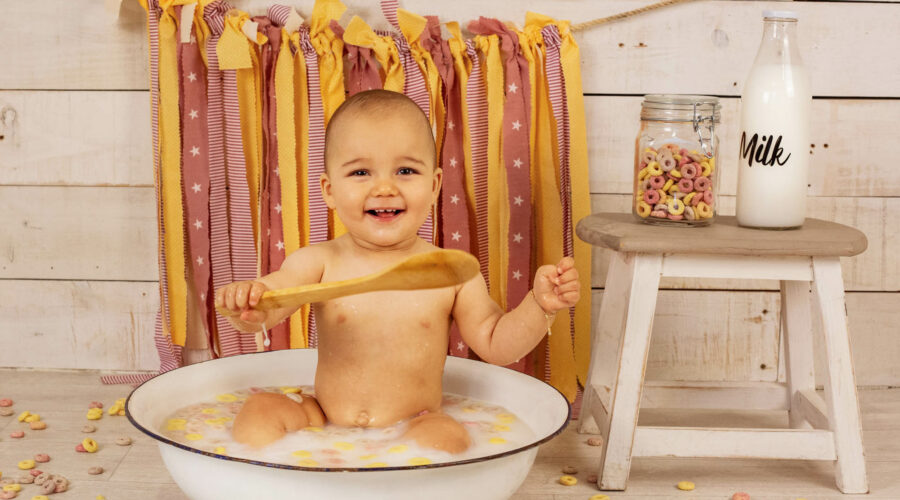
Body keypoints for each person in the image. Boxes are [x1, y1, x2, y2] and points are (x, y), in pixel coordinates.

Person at [215, 89, 580, 453]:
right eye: (360, 172)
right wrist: (248, 304)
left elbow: (497, 344)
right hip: (322, 418)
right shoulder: (318, 261)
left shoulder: (449, 272)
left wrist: (540, 305)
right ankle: (275, 485)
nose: (385, 187)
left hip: (416, 419)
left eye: (406, 170)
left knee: (445, 440)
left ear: (434, 185)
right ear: (329, 190)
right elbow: (270, 303)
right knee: (259, 411)